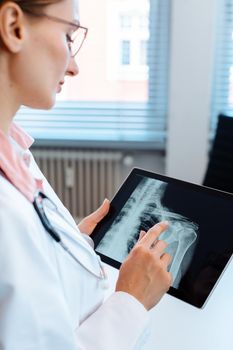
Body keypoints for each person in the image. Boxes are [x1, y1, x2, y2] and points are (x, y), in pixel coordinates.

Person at [0, 0, 172, 349]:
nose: (74, 66)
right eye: (68, 36)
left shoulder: (13, 150)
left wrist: (64, 244)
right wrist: (131, 300)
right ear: (14, 26)